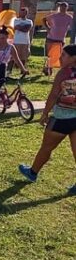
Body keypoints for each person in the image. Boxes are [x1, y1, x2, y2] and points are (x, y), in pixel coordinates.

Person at [18, 44, 76, 195]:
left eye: (64, 55)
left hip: (61, 118)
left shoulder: (63, 73)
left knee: (47, 147)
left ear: (73, 58)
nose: (60, 58)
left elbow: (53, 95)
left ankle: (32, 172)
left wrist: (44, 114)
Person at [44, 1, 72, 75]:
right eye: (62, 7)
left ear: (67, 8)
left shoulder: (69, 17)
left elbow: (72, 26)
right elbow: (44, 19)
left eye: (65, 7)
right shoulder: (54, 15)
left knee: (56, 55)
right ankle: (48, 69)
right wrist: (47, 28)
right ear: (60, 7)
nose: (63, 9)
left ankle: (49, 68)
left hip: (60, 39)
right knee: (50, 54)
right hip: (51, 37)